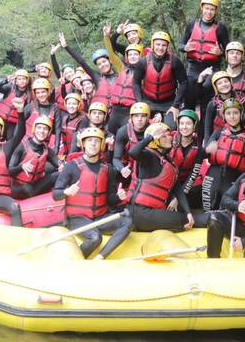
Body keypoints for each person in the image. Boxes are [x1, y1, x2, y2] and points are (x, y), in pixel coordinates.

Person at [54, 128, 133, 259]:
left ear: (102, 145)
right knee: (95, 237)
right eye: (89, 140)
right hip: (77, 219)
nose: (92, 144)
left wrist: (118, 197)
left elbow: (109, 199)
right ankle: (76, 262)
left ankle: (100, 257)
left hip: (99, 218)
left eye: (96, 141)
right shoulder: (71, 167)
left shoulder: (107, 169)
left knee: (128, 222)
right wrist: (66, 192)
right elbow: (55, 195)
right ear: (83, 144)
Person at [124, 122, 195, 231]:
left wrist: (188, 212)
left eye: (169, 135)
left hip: (150, 211)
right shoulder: (148, 157)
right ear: (154, 141)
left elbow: (177, 189)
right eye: (164, 136)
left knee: (186, 217)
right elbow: (133, 152)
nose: (169, 138)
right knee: (182, 220)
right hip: (140, 212)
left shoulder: (166, 160)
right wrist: (150, 138)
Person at [179, 0, 230, 109]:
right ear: (202, 8)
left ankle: (205, 125)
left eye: (212, 9)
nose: (209, 12)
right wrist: (185, 48)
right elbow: (180, 44)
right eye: (207, 8)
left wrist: (220, 52)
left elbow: (229, 52)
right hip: (193, 67)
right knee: (189, 98)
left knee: (206, 96)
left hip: (212, 68)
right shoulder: (192, 25)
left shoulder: (221, 28)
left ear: (216, 11)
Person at [133, 31, 187, 128]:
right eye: (158, 44)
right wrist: (140, 102)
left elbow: (183, 83)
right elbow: (136, 83)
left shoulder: (175, 61)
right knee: (143, 126)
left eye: (164, 45)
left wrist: (176, 105)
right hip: (148, 101)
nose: (160, 48)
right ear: (152, 45)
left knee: (171, 127)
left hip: (169, 102)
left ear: (167, 46)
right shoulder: (143, 62)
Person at [9, 115, 59, 199]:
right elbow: (9, 171)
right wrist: (21, 167)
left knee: (59, 173)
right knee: (27, 188)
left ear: (49, 132)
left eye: (45, 129)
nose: (42, 131)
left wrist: (62, 166)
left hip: (34, 186)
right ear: (34, 129)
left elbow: (60, 165)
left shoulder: (47, 150)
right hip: (19, 188)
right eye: (39, 128)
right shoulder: (22, 146)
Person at [170, 109, 205, 213]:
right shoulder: (169, 139)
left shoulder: (199, 148)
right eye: (182, 123)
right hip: (168, 183)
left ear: (194, 126)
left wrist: (178, 198)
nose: (184, 127)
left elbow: (192, 176)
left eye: (188, 124)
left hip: (185, 185)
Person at [112, 101, 151, 189]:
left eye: (143, 116)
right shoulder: (123, 131)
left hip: (147, 166)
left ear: (148, 117)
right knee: (113, 171)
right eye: (136, 116)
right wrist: (122, 169)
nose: (139, 119)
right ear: (131, 118)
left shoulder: (153, 129)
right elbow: (116, 158)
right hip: (129, 166)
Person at [106, 43, 143, 135]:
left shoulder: (144, 72)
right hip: (115, 112)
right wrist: (106, 37)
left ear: (140, 56)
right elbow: (111, 54)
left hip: (129, 112)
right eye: (130, 54)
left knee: (127, 138)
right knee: (111, 137)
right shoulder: (121, 68)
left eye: (135, 54)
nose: (132, 56)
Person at [203, 70, 245, 140]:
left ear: (231, 83)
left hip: (240, 137)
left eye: (226, 81)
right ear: (216, 87)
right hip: (220, 138)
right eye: (220, 83)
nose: (224, 84)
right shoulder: (212, 104)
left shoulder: (242, 100)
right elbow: (207, 128)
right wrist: (207, 144)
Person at [0, 69, 31, 142]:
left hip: (13, 123)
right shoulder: (9, 88)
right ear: (16, 81)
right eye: (19, 79)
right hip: (0, 118)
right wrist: (6, 80)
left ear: (27, 81)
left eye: (24, 79)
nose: (22, 81)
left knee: (11, 141)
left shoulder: (29, 95)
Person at [53, 93, 88, 160]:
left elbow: (77, 146)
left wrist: (68, 159)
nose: (71, 106)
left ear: (78, 105)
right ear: (66, 105)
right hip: (66, 152)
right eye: (69, 104)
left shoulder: (83, 120)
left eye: (74, 104)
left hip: (77, 155)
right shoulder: (64, 118)